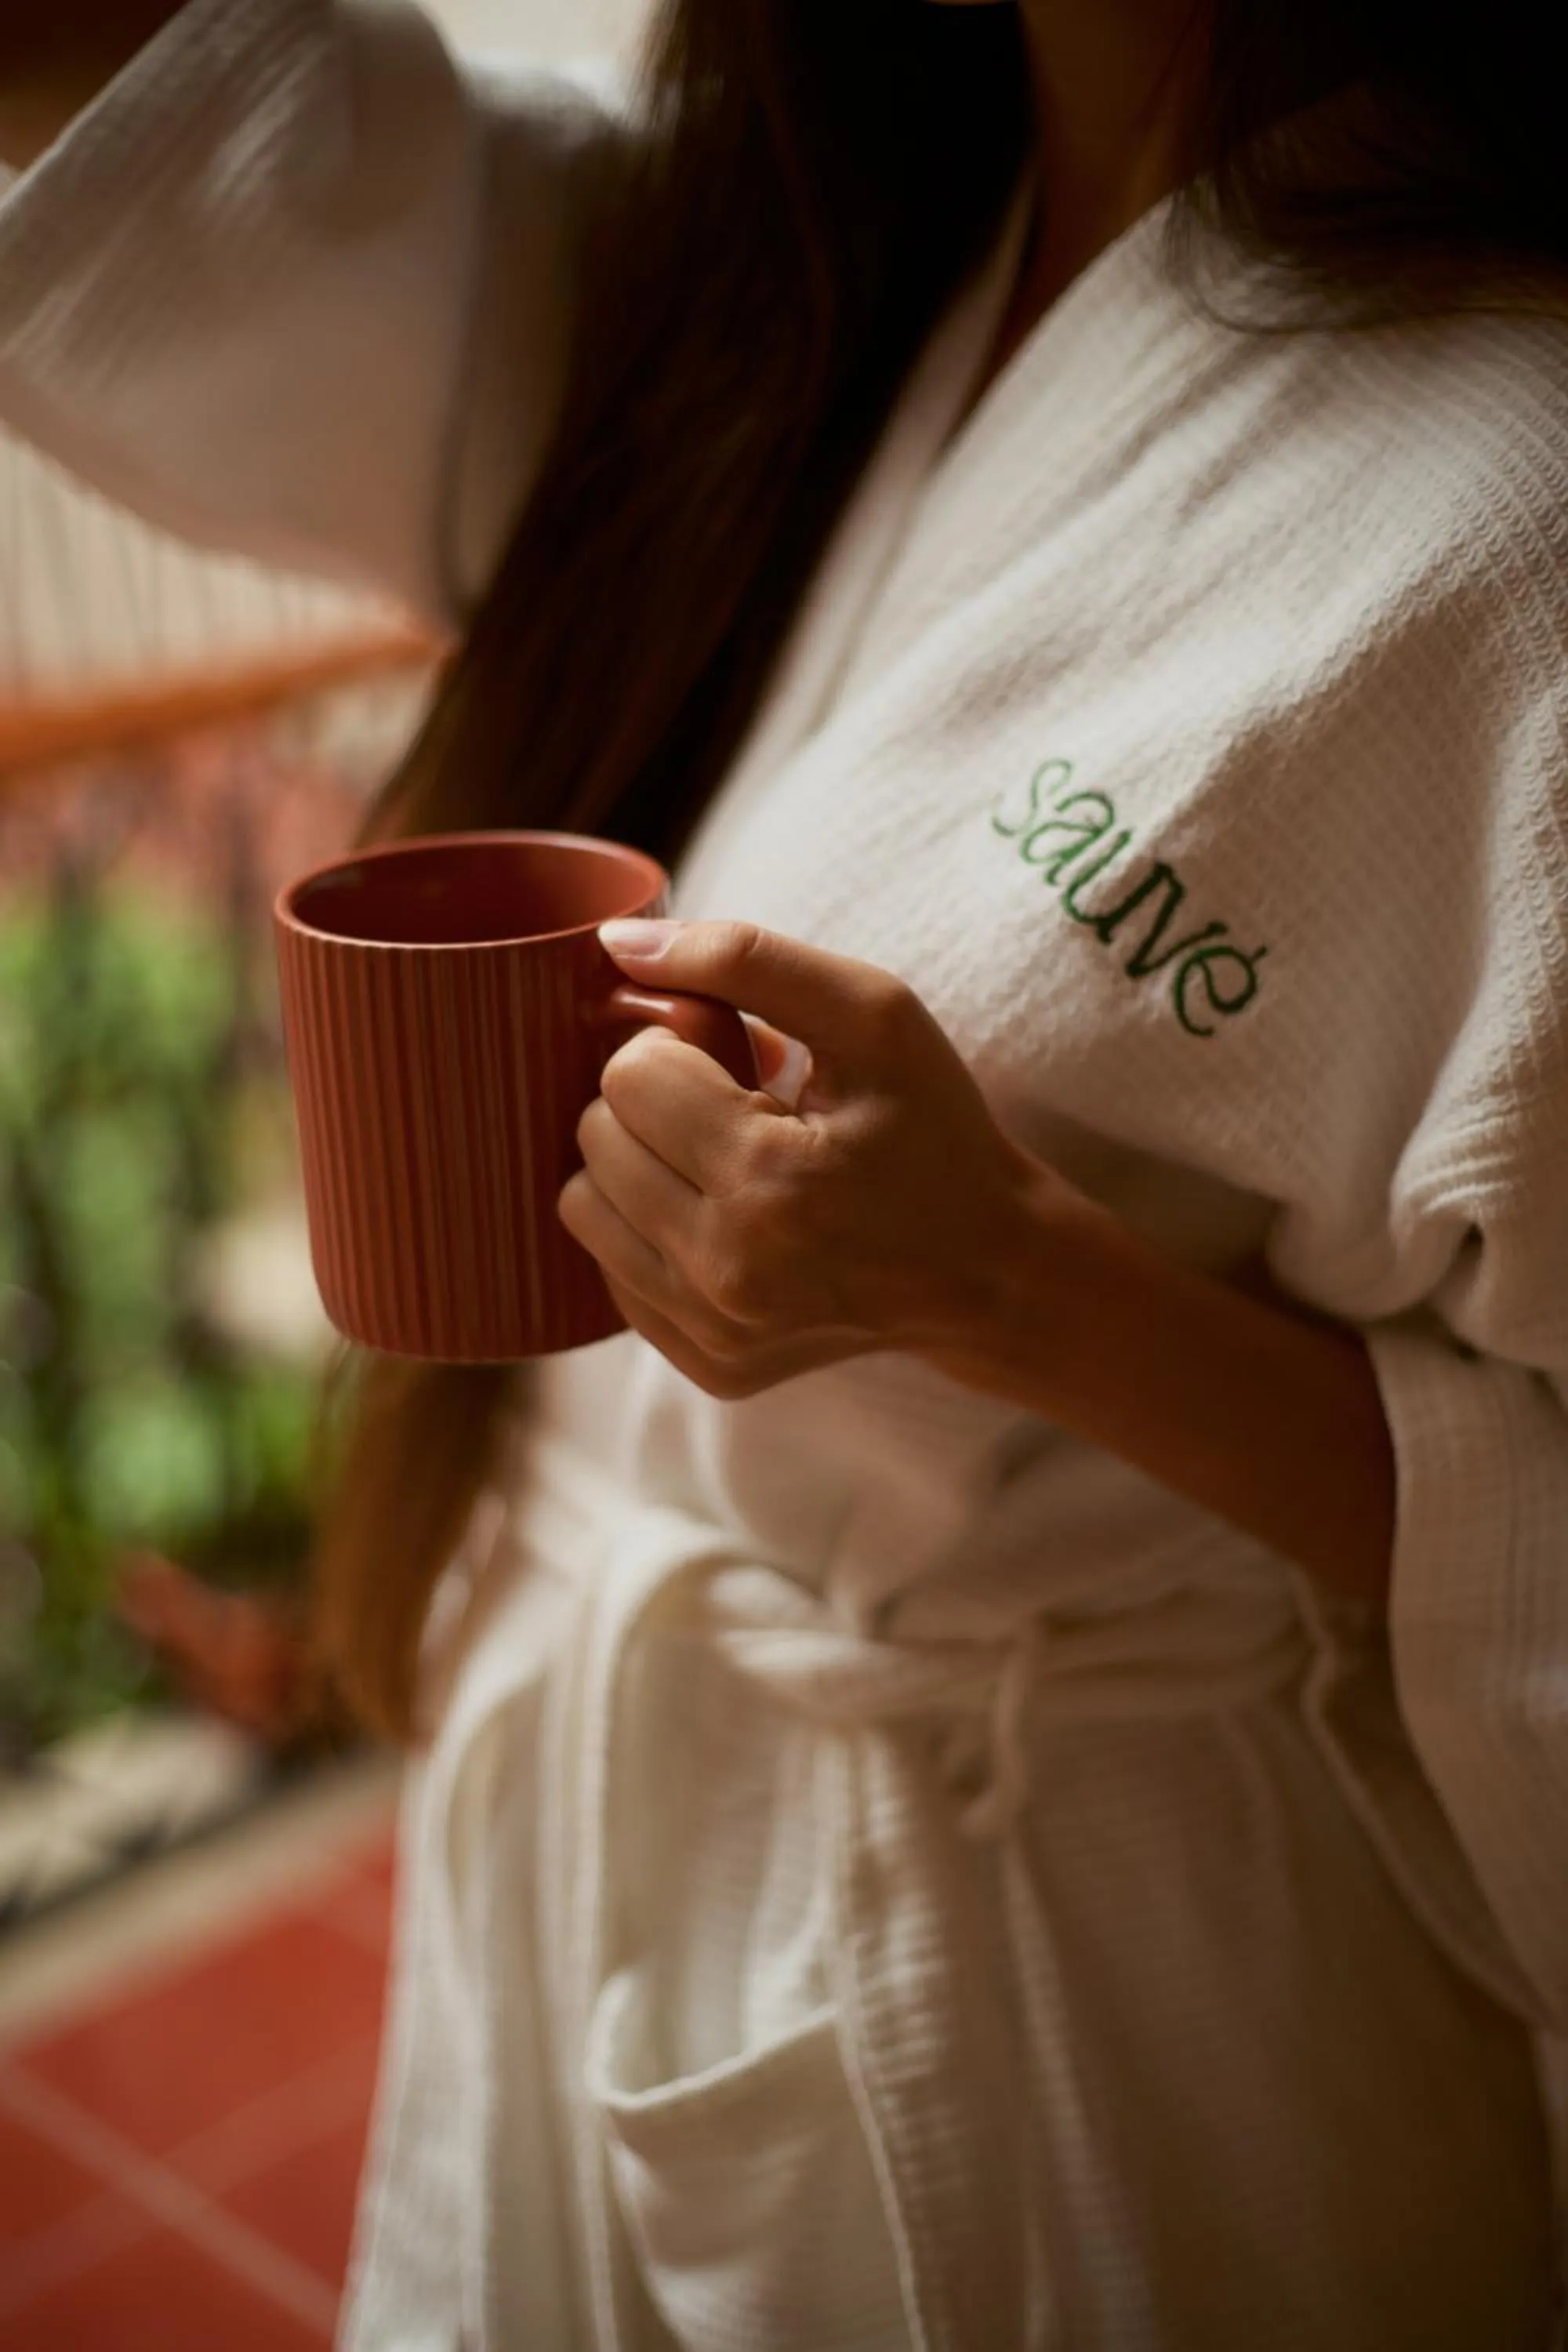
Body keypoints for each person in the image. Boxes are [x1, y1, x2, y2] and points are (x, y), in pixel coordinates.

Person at [3, 2, 1567, 2343]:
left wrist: (1017, 1286)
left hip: (1089, 2003)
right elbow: (257, 171)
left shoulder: (1516, 488)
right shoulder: (810, 250)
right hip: (606, 1842)